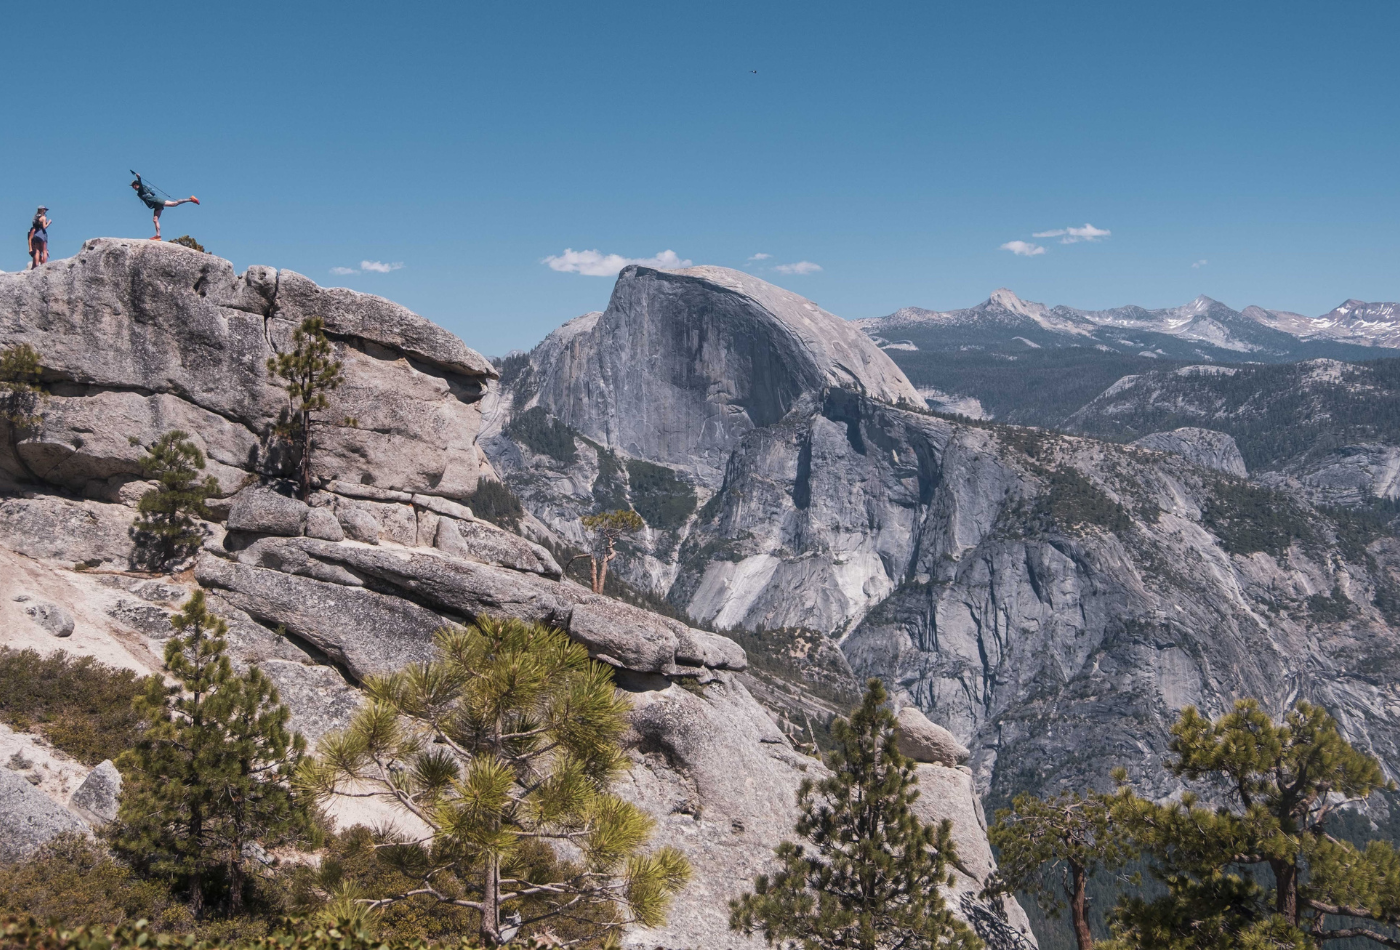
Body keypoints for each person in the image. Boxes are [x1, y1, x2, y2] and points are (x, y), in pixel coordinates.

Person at [131, 175, 198, 241]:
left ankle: (190, 199)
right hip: (155, 205)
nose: (134, 187)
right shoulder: (140, 192)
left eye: (134, 186)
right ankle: (158, 236)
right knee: (155, 219)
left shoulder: (141, 190)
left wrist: (139, 178)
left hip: (157, 201)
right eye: (133, 187)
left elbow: (141, 186)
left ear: (137, 184)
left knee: (174, 204)